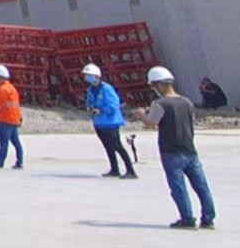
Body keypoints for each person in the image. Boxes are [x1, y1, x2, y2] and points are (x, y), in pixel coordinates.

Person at [142, 67, 217, 229]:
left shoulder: (159, 104)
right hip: (190, 150)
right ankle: (208, 218)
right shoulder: (187, 102)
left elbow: (151, 123)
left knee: (178, 188)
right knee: (202, 187)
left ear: (158, 85)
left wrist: (141, 115)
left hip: (171, 152)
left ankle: (187, 219)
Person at [82, 64, 137, 178]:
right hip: (99, 123)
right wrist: (89, 107)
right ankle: (114, 169)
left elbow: (114, 105)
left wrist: (101, 110)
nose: (87, 78)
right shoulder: (90, 89)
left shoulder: (106, 88)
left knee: (117, 146)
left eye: (89, 75)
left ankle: (130, 171)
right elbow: (89, 101)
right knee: (108, 146)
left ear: (96, 76)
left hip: (110, 123)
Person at [0, 65, 23, 169]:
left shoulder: (2, 89)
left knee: (4, 142)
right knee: (16, 142)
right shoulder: (12, 88)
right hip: (13, 119)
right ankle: (20, 161)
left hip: (5, 120)